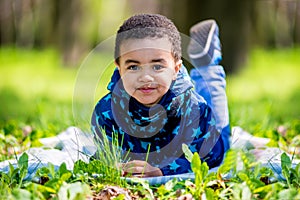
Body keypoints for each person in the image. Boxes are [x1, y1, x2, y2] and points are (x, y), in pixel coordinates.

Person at [91, 13, 231, 177]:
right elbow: (106, 155)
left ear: (176, 69)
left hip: (199, 119)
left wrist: (161, 171)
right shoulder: (106, 112)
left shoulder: (196, 109)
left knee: (222, 136)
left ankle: (207, 65)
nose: (145, 77)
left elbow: (210, 155)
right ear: (119, 68)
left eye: (157, 67)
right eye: (133, 67)